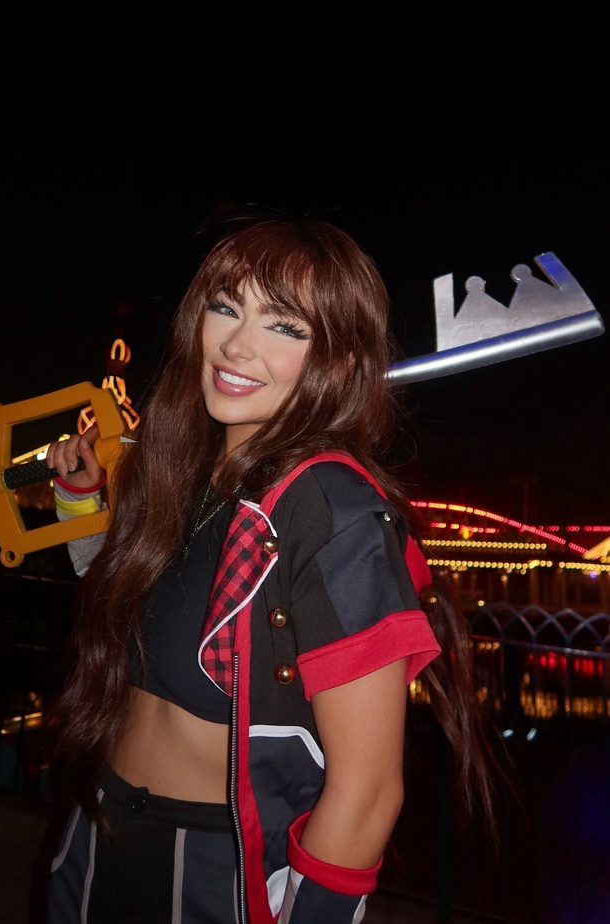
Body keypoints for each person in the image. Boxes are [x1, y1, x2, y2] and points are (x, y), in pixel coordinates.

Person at [43, 207, 500, 923]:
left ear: (336, 360)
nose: (237, 344)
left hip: (216, 869)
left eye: (285, 326)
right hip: (95, 827)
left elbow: (369, 792)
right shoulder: (184, 473)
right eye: (226, 308)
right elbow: (129, 606)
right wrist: (80, 502)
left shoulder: (332, 510)